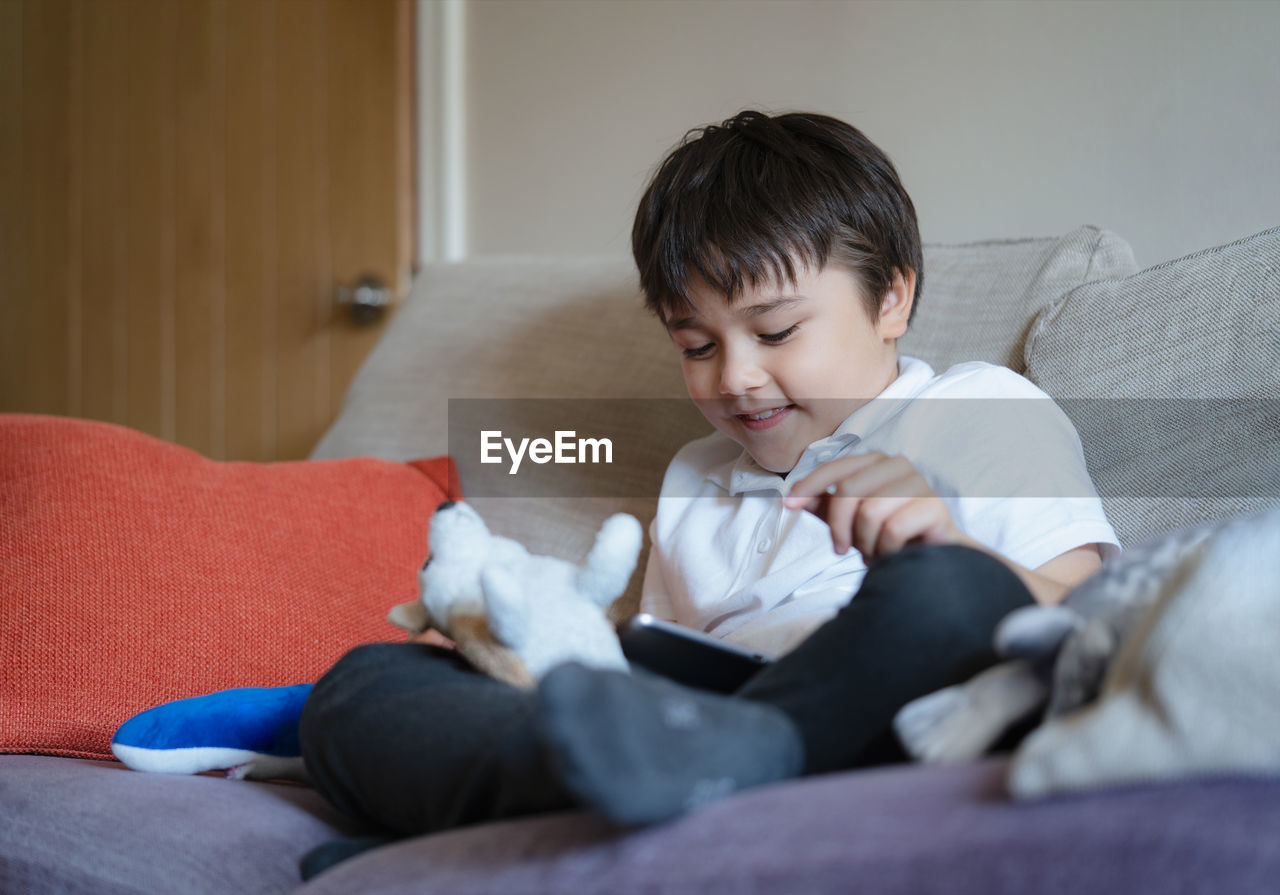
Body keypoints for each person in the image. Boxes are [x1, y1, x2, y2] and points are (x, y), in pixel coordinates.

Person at [296, 110, 1119, 873]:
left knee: (945, 593)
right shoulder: (694, 475)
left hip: (869, 708)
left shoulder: (976, 407)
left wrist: (945, 541)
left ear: (891, 298)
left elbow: (1087, 624)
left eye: (775, 332)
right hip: (700, 728)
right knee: (363, 686)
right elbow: (660, 669)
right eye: (696, 345)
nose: (736, 377)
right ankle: (634, 807)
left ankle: (514, 831)